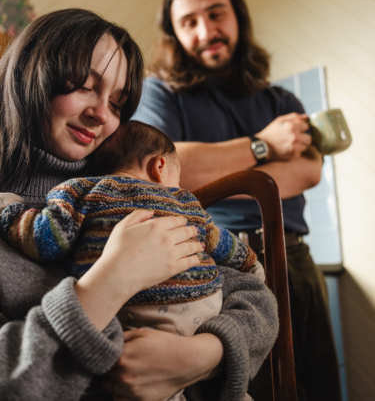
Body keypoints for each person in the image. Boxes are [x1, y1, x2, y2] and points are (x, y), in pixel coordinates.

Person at [0, 7, 278, 401]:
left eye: (117, 103)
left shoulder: (127, 194)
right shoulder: (36, 212)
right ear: (32, 75)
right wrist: (109, 283)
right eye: (84, 86)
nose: (101, 114)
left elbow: (253, 297)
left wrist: (202, 354)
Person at [134, 0, 342, 401]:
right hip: (226, 265)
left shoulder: (280, 99)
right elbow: (165, 171)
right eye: (189, 22)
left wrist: (205, 166)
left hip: (297, 260)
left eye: (216, 14)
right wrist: (264, 145)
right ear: (173, 32)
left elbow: (307, 172)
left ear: (238, 18)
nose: (206, 30)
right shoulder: (161, 93)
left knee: (319, 387)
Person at [1, 119, 263, 401]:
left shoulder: (81, 191)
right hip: (204, 305)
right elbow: (219, 241)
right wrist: (251, 263)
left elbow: (44, 238)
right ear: (159, 166)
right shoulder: (184, 202)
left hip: (135, 318)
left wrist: (10, 209)